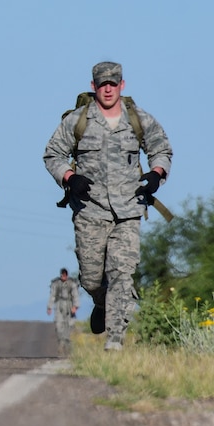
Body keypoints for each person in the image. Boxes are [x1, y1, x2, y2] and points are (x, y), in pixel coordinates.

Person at [43, 61, 172, 351]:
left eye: (114, 83)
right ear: (94, 87)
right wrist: (69, 177)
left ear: (122, 85)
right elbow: (53, 154)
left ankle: (115, 342)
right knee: (90, 278)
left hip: (128, 210)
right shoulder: (78, 120)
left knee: (121, 274)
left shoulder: (139, 119)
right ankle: (100, 303)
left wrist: (156, 173)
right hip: (90, 211)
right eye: (103, 84)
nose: (109, 88)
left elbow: (161, 149)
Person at [47, 268, 80, 356]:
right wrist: (49, 307)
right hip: (59, 305)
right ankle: (61, 345)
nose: (63, 276)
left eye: (65, 275)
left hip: (69, 305)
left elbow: (75, 295)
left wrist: (75, 306)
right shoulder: (56, 283)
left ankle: (68, 347)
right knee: (59, 326)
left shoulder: (72, 283)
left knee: (70, 326)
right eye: (62, 275)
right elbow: (52, 295)